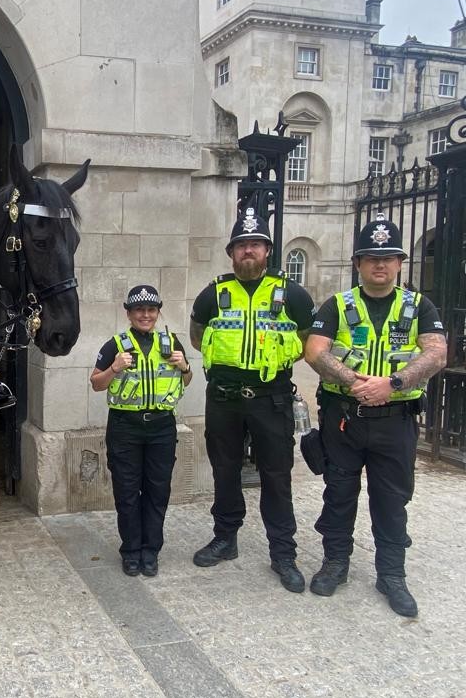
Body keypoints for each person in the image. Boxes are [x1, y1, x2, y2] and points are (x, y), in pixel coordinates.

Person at [304, 213, 446, 617]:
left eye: (387, 258)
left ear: (400, 263)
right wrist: (355, 383)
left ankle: (392, 574)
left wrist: (392, 384)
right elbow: (315, 350)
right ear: (358, 264)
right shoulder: (338, 304)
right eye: (371, 258)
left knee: (391, 499)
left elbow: (437, 353)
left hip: (396, 420)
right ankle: (335, 563)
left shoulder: (419, 305)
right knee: (339, 493)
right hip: (345, 418)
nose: (379, 265)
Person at [189, 207, 315, 592]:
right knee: (224, 470)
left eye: (255, 245)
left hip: (271, 397)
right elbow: (197, 337)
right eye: (241, 245)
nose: (248, 251)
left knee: (276, 476)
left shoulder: (291, 294)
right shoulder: (213, 294)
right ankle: (226, 538)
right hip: (224, 397)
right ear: (231, 252)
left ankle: (283, 553)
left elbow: (309, 343)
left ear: (267, 251)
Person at [90, 285, 193, 577]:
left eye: (151, 310)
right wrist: (114, 368)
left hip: (161, 427)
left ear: (158, 312)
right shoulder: (115, 345)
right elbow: (96, 383)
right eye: (139, 310)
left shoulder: (171, 342)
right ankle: (131, 550)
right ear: (129, 313)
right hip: (125, 427)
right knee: (126, 492)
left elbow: (186, 381)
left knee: (157, 491)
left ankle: (151, 551)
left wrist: (184, 366)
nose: (145, 315)